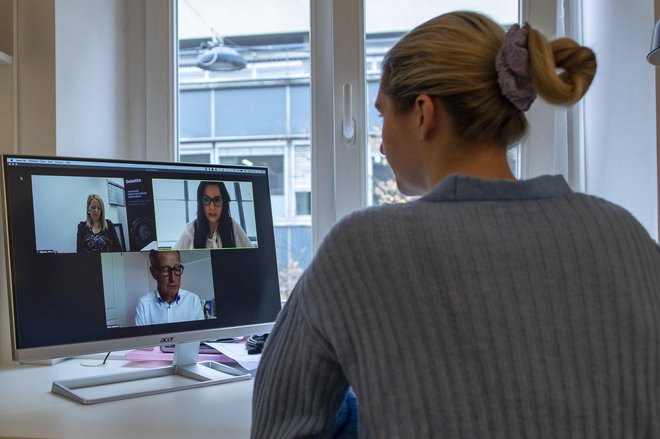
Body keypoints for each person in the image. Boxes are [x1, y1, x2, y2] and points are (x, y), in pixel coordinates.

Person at [251, 11, 660, 438]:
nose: (382, 144)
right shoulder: (623, 233)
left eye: (383, 117)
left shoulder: (361, 248)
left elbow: (279, 427)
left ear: (425, 113)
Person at [174, 181, 253, 249]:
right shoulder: (192, 229)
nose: (212, 207)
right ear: (200, 203)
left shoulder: (232, 225)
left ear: (224, 203)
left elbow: (253, 253)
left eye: (217, 200)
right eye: (206, 200)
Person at [134, 250, 205, 325]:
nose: (173, 279)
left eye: (177, 269)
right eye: (165, 270)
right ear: (153, 273)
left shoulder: (193, 301)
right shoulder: (143, 305)